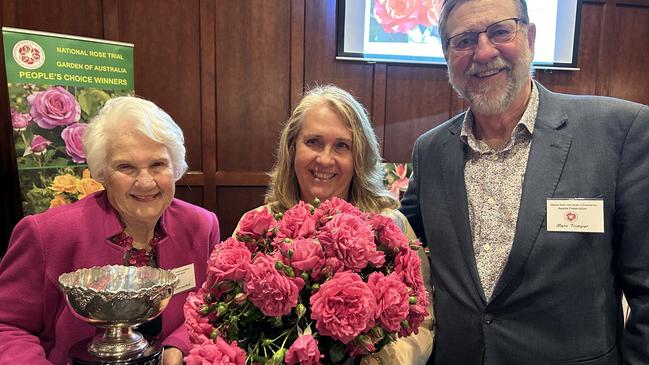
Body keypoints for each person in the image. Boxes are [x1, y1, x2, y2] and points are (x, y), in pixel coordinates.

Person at [399, 0, 649, 363]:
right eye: (464, 40)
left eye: (500, 31)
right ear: (447, 55)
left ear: (530, 37)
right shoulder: (430, 151)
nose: (483, 52)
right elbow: (396, 245)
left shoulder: (618, 132)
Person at [0, 96, 220, 365]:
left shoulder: (201, 225)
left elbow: (208, 303)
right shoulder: (47, 234)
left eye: (158, 164)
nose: (145, 182)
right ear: (102, 172)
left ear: (175, 167)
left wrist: (179, 346)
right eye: (126, 167)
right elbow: (7, 327)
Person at [240, 85, 434, 364]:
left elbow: (422, 320)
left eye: (342, 145)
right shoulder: (256, 225)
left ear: (359, 158)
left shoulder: (391, 226)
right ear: (292, 147)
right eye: (314, 142)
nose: (325, 159)